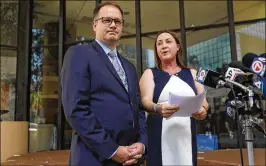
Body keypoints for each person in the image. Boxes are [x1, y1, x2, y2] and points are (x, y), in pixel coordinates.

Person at [60, 2, 147, 166]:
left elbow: (138, 110)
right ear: (95, 25)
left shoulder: (130, 67)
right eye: (107, 20)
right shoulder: (79, 54)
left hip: (130, 159)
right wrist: (112, 150)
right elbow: (76, 109)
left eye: (118, 21)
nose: (113, 25)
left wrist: (142, 144)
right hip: (94, 158)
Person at [139, 31, 209, 166]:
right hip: (159, 137)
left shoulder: (193, 73)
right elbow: (145, 101)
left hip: (186, 137)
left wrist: (202, 110)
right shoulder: (150, 73)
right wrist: (157, 108)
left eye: (168, 41)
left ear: (177, 47)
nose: (164, 46)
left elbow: (204, 102)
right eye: (159, 44)